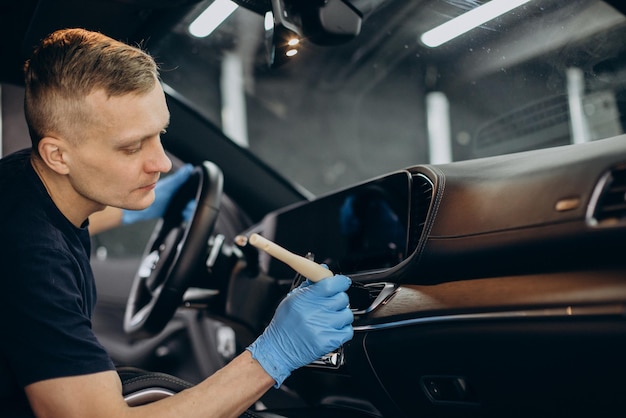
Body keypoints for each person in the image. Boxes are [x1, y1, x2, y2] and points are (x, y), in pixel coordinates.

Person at [0, 28, 354, 418]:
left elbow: (56, 227)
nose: (163, 162)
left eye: (160, 135)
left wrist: (147, 206)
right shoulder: (30, 259)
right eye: (132, 146)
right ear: (58, 155)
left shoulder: (22, 183)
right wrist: (273, 355)